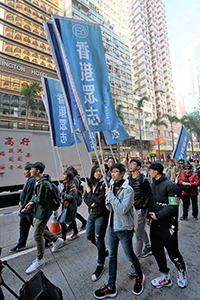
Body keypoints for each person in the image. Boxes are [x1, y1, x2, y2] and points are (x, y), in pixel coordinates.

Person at [94, 163, 145, 298]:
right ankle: (111, 286)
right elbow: (110, 207)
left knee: (129, 256)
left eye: (115, 171)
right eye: (111, 171)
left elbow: (122, 209)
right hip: (112, 227)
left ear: (122, 173)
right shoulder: (110, 185)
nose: (112, 173)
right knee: (112, 256)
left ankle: (139, 276)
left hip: (123, 229)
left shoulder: (128, 190)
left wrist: (110, 196)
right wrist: (108, 199)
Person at [147, 161, 187, 289]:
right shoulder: (153, 183)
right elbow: (152, 201)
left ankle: (181, 272)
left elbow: (173, 206)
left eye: (150, 170)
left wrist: (158, 215)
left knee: (172, 251)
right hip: (155, 224)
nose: (148, 172)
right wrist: (149, 216)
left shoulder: (170, 185)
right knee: (156, 250)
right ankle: (165, 275)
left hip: (168, 224)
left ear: (156, 171)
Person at [25, 162, 64, 275]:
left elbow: (41, 199)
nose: (29, 171)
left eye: (31, 169)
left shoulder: (44, 184)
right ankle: (56, 240)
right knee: (40, 230)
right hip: (38, 211)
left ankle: (40, 259)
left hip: (42, 212)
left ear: (38, 171)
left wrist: (34, 201)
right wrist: (32, 201)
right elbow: (35, 195)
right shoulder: (38, 181)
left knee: (37, 235)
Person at [84, 165, 109, 281]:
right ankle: (102, 251)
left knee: (99, 238)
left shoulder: (104, 184)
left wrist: (90, 195)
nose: (98, 173)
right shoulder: (89, 184)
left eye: (100, 171)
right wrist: (91, 203)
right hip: (91, 214)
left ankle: (100, 264)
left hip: (101, 215)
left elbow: (100, 200)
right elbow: (85, 198)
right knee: (89, 236)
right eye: (96, 171)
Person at [128, 159, 152, 277]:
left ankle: (135, 262)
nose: (130, 166)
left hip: (140, 209)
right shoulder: (128, 179)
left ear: (138, 167)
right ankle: (148, 246)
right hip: (131, 209)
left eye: (133, 164)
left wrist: (143, 209)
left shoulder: (143, 179)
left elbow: (148, 195)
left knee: (137, 235)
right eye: (130, 164)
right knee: (140, 231)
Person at [10, 164, 36, 252]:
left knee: (37, 226)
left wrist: (22, 210)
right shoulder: (29, 180)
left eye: (25, 170)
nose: (24, 172)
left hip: (28, 209)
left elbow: (28, 196)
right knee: (23, 227)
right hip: (25, 209)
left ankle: (51, 239)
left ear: (30, 171)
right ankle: (21, 244)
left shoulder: (32, 181)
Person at [66, 166, 87, 235]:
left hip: (74, 198)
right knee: (73, 212)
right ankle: (81, 222)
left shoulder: (75, 179)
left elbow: (73, 189)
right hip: (74, 198)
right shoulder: (76, 178)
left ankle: (81, 223)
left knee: (72, 212)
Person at [59, 170, 78, 241]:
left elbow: (71, 197)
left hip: (70, 206)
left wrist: (62, 193)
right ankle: (75, 232)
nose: (63, 176)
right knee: (71, 219)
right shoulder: (65, 184)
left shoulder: (72, 185)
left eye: (64, 175)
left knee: (62, 222)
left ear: (68, 176)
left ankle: (63, 238)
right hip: (65, 205)